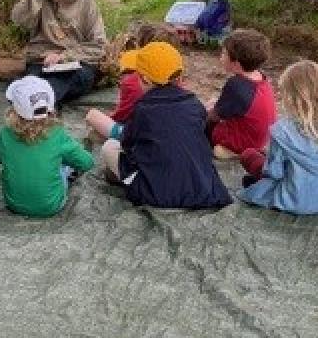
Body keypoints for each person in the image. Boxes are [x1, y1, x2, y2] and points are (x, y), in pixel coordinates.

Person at [99, 42, 232, 210]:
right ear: (179, 75)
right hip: (202, 189)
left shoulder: (143, 109)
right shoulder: (194, 103)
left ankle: (126, 180)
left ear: (145, 79)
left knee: (109, 147)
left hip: (156, 194)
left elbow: (128, 144)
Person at [238, 60, 318, 214]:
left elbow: (275, 173)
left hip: (293, 200)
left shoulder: (281, 131)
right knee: (263, 157)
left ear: (290, 96)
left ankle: (257, 183)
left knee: (250, 155)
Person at [0, 76, 94, 217]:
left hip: (14, 204)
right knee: (63, 165)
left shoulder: (4, 135)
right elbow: (87, 163)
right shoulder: (58, 134)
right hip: (51, 205)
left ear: (14, 108)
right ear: (50, 107)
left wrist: (0, 156)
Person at [10, 0, 107, 103]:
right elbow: (19, 20)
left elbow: (98, 46)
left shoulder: (86, 3)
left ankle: (42, 104)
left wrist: (64, 57)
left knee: (53, 84)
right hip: (41, 63)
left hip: (75, 66)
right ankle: (38, 102)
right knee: (29, 86)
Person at [84, 22, 180, 141]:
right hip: (172, 133)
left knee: (93, 116)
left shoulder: (133, 82)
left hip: (140, 136)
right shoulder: (177, 80)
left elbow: (121, 117)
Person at [206, 28, 276, 159]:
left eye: (224, 54)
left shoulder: (236, 84)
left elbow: (215, 116)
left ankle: (228, 152)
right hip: (261, 139)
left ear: (236, 63)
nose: (220, 57)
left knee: (201, 121)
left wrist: (207, 111)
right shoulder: (260, 77)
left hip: (246, 143)